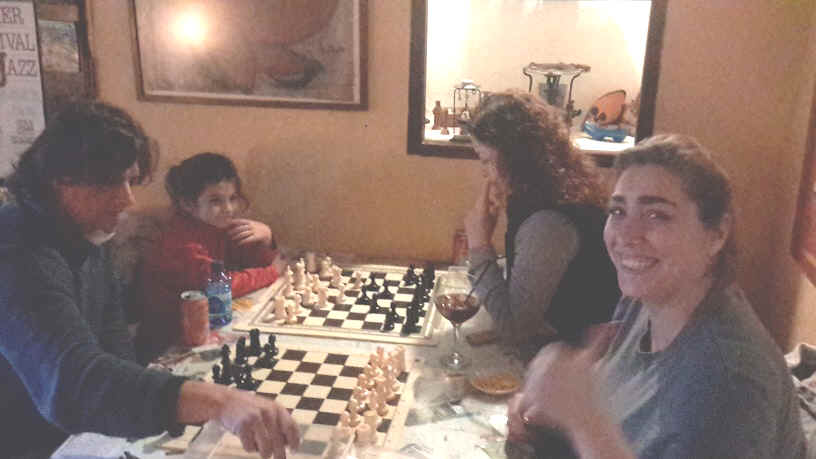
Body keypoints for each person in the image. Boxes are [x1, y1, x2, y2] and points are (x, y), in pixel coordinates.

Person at [0, 102, 299, 459]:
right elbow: (72, 381)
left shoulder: (86, 234)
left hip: (84, 430)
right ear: (61, 179)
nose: (127, 199)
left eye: (129, 180)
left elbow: (115, 348)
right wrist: (219, 401)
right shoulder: (16, 250)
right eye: (109, 183)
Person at [509, 135, 806, 458]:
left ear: (717, 234)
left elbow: (601, 427)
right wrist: (552, 412)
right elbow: (622, 412)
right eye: (618, 211)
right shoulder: (644, 301)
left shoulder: (730, 383)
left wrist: (584, 420)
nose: (626, 235)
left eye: (656, 215)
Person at [463, 91, 620, 358]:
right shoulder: (550, 189)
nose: (484, 172)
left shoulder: (547, 223)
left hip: (582, 364)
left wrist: (479, 244)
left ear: (514, 159)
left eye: (486, 160)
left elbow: (516, 329)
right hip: (568, 350)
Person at [135, 152, 284, 362]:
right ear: (187, 204)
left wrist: (266, 238)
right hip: (167, 342)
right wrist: (271, 272)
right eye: (215, 201)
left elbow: (248, 261)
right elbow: (219, 286)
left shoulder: (215, 225)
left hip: (204, 325)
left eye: (232, 198)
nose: (228, 209)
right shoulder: (182, 242)